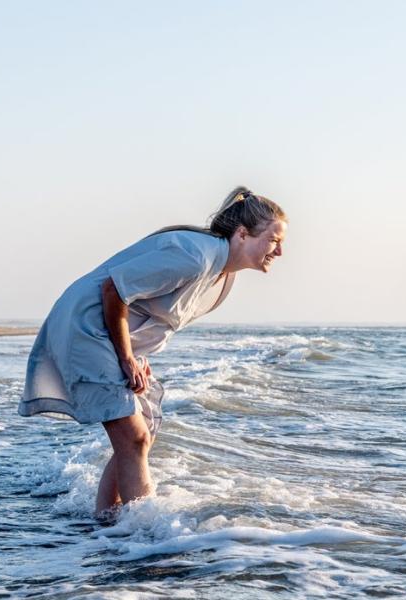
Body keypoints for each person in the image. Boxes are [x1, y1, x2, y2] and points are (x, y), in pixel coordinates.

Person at [18, 187, 287, 519]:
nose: (280, 251)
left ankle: (108, 524)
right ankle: (140, 537)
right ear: (243, 234)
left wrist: (135, 355)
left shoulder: (222, 277)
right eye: (275, 241)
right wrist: (125, 357)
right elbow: (113, 289)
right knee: (133, 437)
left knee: (143, 432)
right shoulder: (196, 256)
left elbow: (149, 311)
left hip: (108, 330)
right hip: (85, 326)